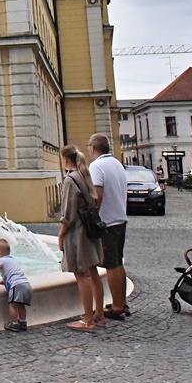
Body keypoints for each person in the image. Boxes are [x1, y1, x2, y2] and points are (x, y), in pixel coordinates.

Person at [58, 145, 105, 331]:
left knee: (81, 274)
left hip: (78, 233)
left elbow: (68, 215)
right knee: (93, 273)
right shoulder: (84, 176)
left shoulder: (70, 180)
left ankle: (87, 320)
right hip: (89, 231)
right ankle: (99, 315)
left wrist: (61, 235)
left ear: (65, 159)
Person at [88, 132, 130, 319]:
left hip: (107, 222)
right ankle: (121, 302)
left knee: (111, 265)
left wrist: (92, 217)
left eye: (89, 146)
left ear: (93, 147)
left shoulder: (97, 166)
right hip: (120, 218)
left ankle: (118, 307)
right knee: (118, 262)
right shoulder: (117, 164)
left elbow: (97, 195)